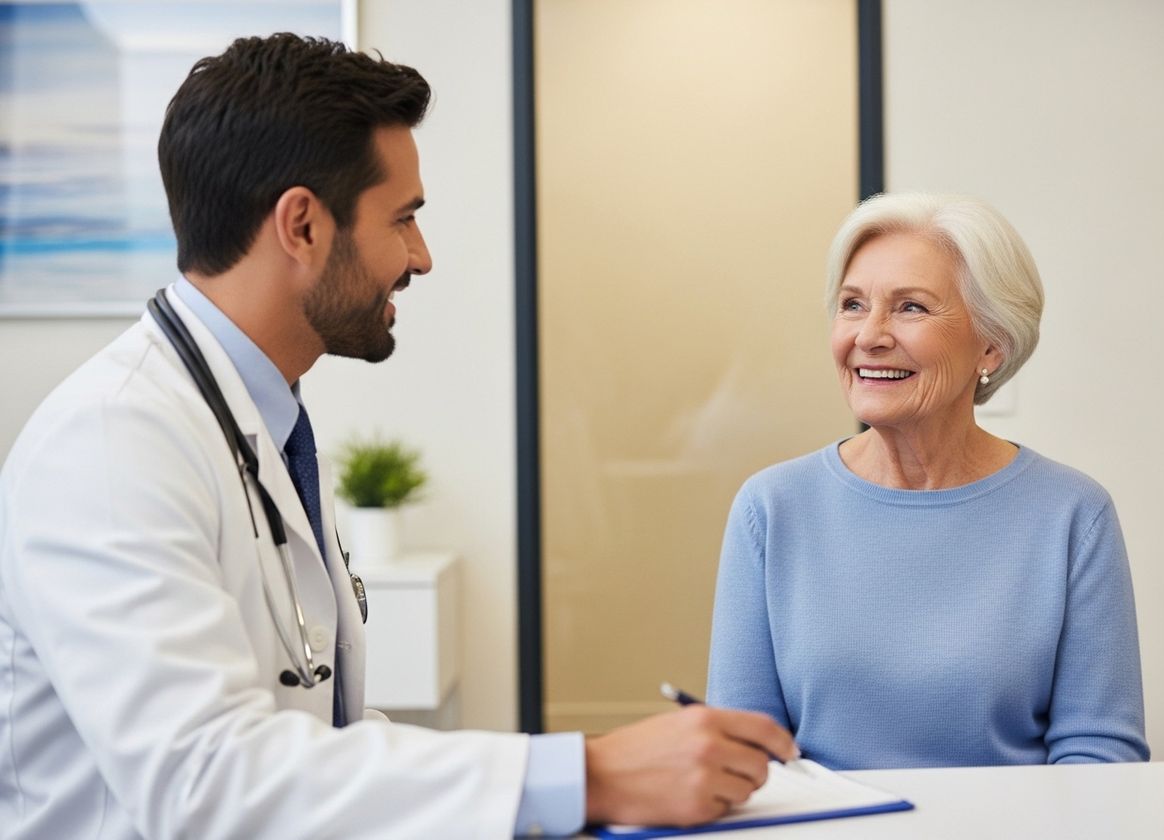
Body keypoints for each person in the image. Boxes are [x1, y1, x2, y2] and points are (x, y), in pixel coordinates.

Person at [0, 34, 797, 839]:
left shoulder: (258, 425)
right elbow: (206, 781)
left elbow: (326, 740)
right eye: (404, 219)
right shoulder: (110, 444)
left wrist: (572, 778)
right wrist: (586, 778)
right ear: (302, 226)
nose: (421, 256)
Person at [707, 192, 1150, 770]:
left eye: (910, 307)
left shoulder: (1073, 514)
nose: (869, 335)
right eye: (852, 305)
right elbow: (744, 757)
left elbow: (1100, 754)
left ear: (992, 343)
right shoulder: (770, 508)